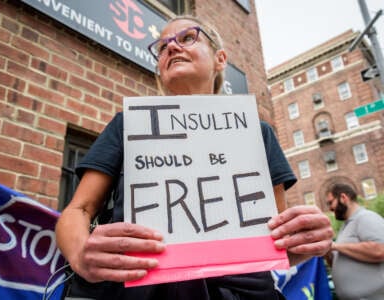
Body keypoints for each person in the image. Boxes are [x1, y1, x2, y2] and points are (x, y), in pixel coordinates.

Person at [55, 15, 333, 300]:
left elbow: (275, 239)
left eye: (188, 37)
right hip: (136, 290)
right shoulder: (127, 125)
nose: (172, 48)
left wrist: (305, 242)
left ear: (220, 59)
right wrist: (81, 256)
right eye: (162, 47)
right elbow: (77, 211)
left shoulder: (257, 133)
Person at [325, 183, 384, 300]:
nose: (330, 208)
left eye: (331, 202)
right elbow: (338, 262)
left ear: (343, 198)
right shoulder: (346, 226)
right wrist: (326, 252)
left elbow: (380, 250)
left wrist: (334, 246)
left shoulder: (366, 217)